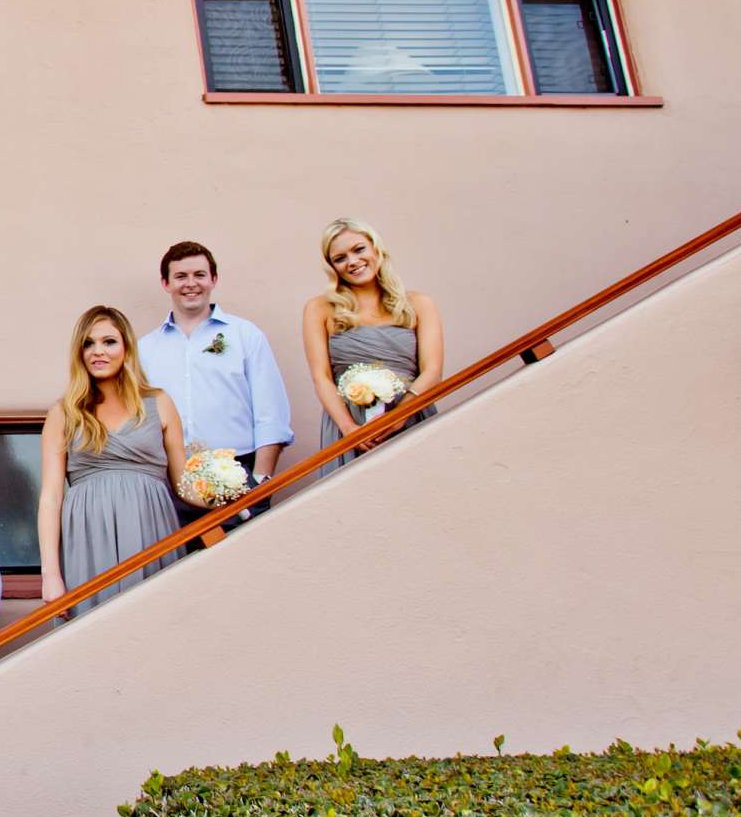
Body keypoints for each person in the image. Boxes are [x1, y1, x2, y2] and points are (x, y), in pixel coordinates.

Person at [38, 307, 189, 614]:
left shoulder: (160, 403)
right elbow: (51, 497)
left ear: (126, 347)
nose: (98, 352)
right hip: (88, 538)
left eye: (109, 342)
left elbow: (184, 485)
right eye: (88, 344)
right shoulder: (63, 413)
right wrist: (50, 575)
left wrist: (226, 489)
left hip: (151, 528)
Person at [134, 241, 294, 520]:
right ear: (165, 283)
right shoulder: (145, 349)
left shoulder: (245, 335)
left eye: (199, 275)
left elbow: (271, 413)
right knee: (179, 563)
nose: (191, 284)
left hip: (238, 476)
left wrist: (261, 482)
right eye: (181, 276)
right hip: (172, 481)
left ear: (213, 279)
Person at [302, 219, 445, 473]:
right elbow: (321, 377)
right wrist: (348, 429)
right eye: (340, 258)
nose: (353, 262)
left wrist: (401, 414)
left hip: (410, 414)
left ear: (376, 250)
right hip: (350, 423)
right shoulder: (320, 309)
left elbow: (432, 369)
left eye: (359, 250)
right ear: (332, 267)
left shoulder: (419, 303)